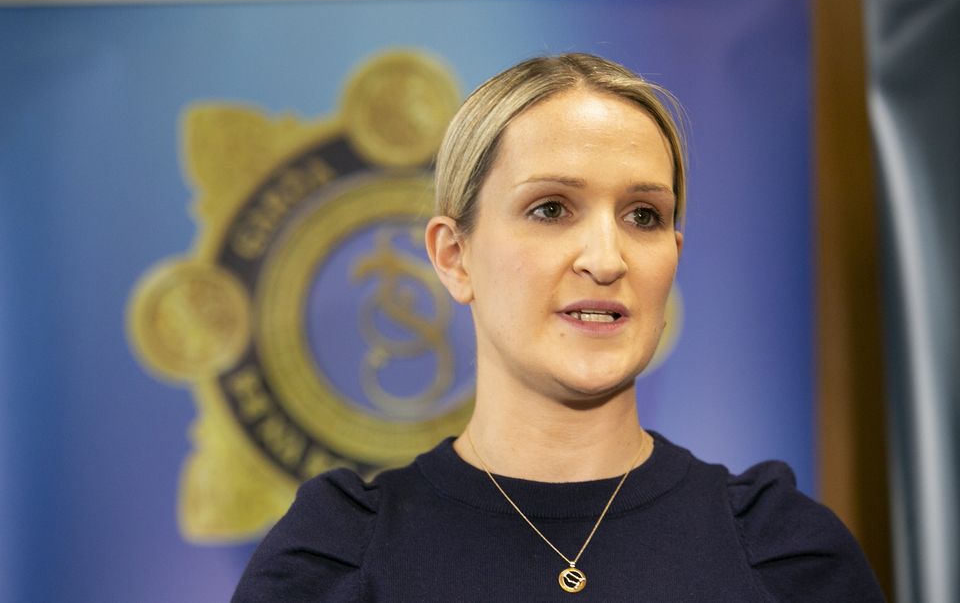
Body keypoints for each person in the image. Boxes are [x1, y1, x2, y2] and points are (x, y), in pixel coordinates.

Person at [232, 53, 884, 601]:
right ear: (453, 257)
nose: (606, 258)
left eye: (644, 215)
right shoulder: (336, 560)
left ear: (674, 256)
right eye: (551, 208)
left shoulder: (786, 554)